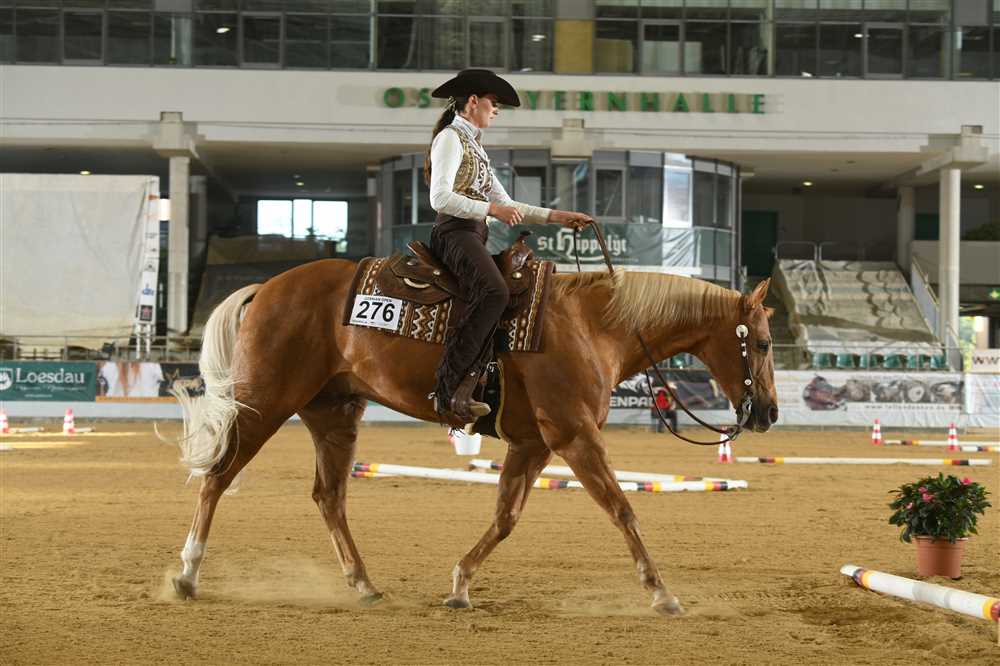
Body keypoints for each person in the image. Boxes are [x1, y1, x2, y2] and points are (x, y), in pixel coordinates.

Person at [425, 69, 593, 424]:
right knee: (494, 292)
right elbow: (439, 198)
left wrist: (557, 216)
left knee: (501, 291)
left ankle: (481, 381)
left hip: (472, 234)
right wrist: (490, 210)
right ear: (473, 102)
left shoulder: (475, 147)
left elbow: (509, 205)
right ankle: (447, 388)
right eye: (494, 103)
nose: (497, 110)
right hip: (453, 232)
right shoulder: (450, 139)